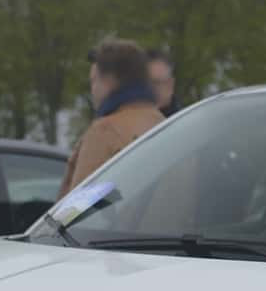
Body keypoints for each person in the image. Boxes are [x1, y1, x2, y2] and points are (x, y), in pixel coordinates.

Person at [60, 37, 163, 196]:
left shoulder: (105, 132)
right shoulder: (167, 125)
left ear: (108, 81)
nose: (92, 90)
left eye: (94, 81)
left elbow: (77, 211)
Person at [147, 47, 180, 118]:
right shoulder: (125, 123)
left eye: (157, 83)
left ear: (171, 84)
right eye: (147, 83)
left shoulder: (187, 123)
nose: (153, 89)